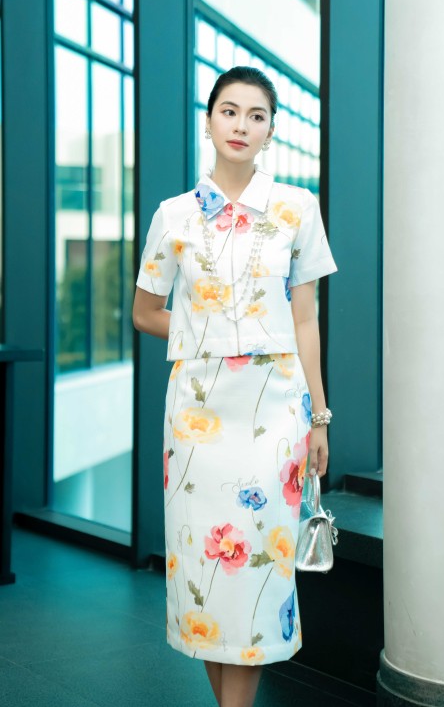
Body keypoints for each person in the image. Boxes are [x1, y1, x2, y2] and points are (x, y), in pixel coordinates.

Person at [132, 66, 337, 707]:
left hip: (275, 409)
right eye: (229, 111)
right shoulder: (173, 217)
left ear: (271, 130)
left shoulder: (297, 208)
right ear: (209, 120)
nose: (241, 124)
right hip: (197, 413)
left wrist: (320, 417)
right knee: (206, 566)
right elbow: (144, 311)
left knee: (257, 569)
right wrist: (204, 336)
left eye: (256, 115)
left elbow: (305, 318)